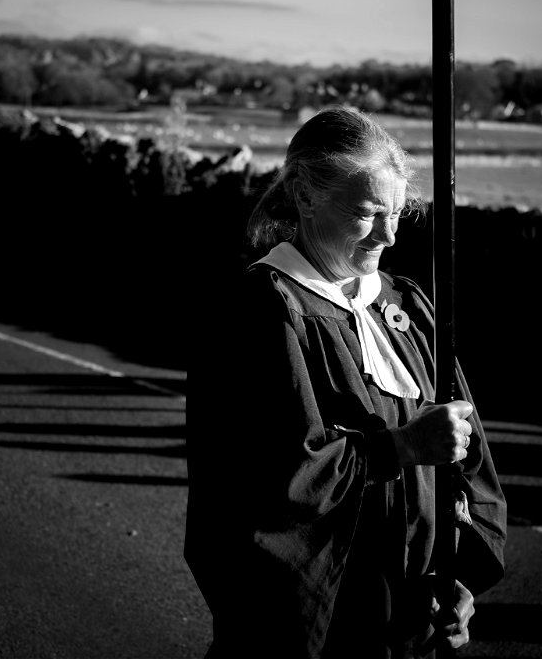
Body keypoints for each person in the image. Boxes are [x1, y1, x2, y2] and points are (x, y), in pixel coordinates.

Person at [185, 106, 506, 658]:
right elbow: (268, 480)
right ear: (306, 196)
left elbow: (466, 460)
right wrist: (401, 447)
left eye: (399, 214)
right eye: (366, 213)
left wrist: (457, 576)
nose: (389, 234)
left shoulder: (407, 308)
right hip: (318, 628)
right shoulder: (262, 310)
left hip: (411, 625)